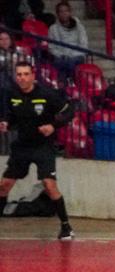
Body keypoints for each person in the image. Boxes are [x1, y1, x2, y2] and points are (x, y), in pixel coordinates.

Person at [0, 62, 75, 239]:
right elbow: (11, 116)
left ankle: (66, 226)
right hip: (22, 146)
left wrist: (54, 125)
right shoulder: (12, 94)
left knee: (49, 186)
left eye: (26, 74)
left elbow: (70, 110)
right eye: (19, 74)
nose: (22, 78)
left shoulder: (47, 94)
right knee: (4, 186)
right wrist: (6, 123)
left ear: (33, 76)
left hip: (43, 146)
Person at [47, 2, 88, 82]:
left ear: (70, 12)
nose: (64, 14)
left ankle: (70, 83)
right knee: (60, 62)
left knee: (71, 63)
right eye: (61, 11)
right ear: (57, 14)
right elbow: (51, 47)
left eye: (66, 11)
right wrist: (62, 55)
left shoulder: (80, 27)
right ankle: (65, 86)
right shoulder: (53, 28)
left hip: (77, 55)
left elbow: (84, 45)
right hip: (61, 56)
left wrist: (71, 55)